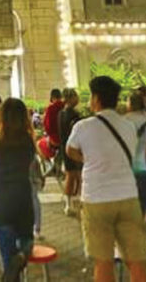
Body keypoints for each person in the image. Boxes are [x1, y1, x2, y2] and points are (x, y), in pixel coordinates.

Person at [66, 76, 146, 282]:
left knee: (104, 262)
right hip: (128, 197)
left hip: (97, 199)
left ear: (96, 98)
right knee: (135, 260)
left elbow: (70, 150)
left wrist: (88, 159)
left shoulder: (83, 126)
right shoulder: (128, 126)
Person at [0, 98, 37, 282]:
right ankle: (22, 255)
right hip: (23, 200)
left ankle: (13, 266)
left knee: (7, 257)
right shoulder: (28, 141)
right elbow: (28, 162)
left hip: (0, 202)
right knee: (27, 240)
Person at [126, 89, 146, 229]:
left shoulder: (123, 121)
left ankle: (137, 217)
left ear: (130, 104)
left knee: (134, 192)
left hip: (129, 163)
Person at [59, 88, 83, 216]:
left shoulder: (61, 113)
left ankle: (69, 203)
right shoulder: (74, 115)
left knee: (71, 175)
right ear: (71, 98)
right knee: (77, 176)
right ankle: (79, 201)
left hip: (64, 147)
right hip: (76, 148)